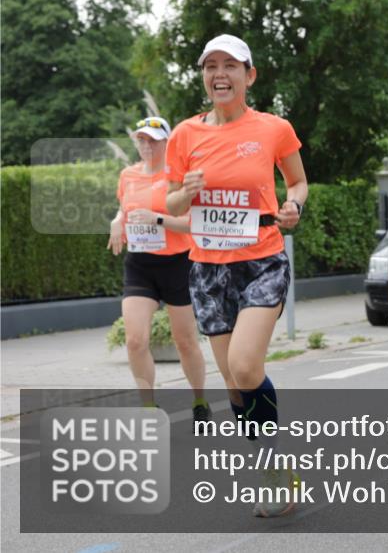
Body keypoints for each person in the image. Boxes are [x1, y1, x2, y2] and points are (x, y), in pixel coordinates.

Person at [165, 34, 308, 518]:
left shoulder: (273, 128)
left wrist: (294, 206)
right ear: (204, 77)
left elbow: (298, 182)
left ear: (250, 76)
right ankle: (274, 466)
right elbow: (170, 203)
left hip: (261, 260)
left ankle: (273, 468)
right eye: (211, 66)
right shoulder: (185, 135)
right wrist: (185, 193)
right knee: (232, 382)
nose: (219, 74)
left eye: (230, 65)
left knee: (246, 367)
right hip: (208, 270)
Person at [107, 117, 209, 424]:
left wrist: (157, 219)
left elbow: (193, 224)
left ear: (167, 143)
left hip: (178, 264)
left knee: (185, 341)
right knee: (135, 340)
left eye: (153, 140)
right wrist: (117, 221)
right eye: (142, 140)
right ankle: (148, 407)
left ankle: (200, 401)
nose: (147, 145)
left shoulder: (179, 177)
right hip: (140, 265)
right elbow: (124, 208)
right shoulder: (127, 175)